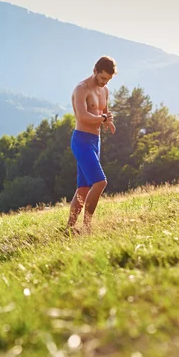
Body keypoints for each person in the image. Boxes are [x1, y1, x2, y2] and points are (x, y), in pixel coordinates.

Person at [66, 56, 117, 234]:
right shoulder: (81, 89)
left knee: (84, 187)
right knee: (100, 182)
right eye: (102, 78)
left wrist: (108, 120)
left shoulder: (105, 90)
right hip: (81, 140)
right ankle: (87, 227)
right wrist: (102, 118)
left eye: (108, 79)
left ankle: (69, 228)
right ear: (94, 71)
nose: (104, 82)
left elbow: (103, 111)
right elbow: (83, 117)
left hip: (96, 141)